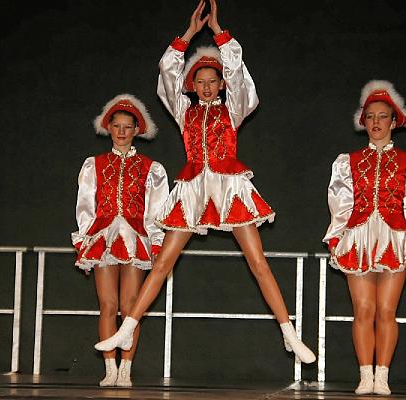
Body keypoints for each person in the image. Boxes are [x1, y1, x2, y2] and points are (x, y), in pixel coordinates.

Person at [94, 0, 316, 365]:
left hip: (229, 187)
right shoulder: (185, 112)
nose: (207, 87)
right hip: (194, 187)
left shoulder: (233, 109)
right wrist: (190, 33)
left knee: (258, 262)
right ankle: (127, 327)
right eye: (200, 81)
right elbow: (167, 70)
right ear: (192, 85)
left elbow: (241, 77)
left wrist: (218, 32)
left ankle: (289, 333)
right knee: (163, 264)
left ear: (221, 84)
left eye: (213, 81)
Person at [323, 80, 406, 395]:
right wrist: (335, 238)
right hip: (357, 239)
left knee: (386, 311)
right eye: (370, 116)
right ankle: (365, 375)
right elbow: (340, 204)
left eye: (382, 116)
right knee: (363, 310)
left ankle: (382, 376)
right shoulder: (347, 162)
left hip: (394, 240)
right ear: (364, 121)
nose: (375, 122)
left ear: (394, 122)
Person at [72, 94, 169, 386]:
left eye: (128, 127)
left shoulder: (152, 168)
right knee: (107, 305)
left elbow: (157, 210)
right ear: (109, 128)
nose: (122, 131)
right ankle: (110, 369)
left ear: (136, 130)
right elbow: (85, 205)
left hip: (135, 239)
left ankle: (126, 369)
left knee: (130, 307)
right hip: (103, 238)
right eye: (117, 126)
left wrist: (156, 241)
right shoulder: (94, 164)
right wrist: (85, 240)